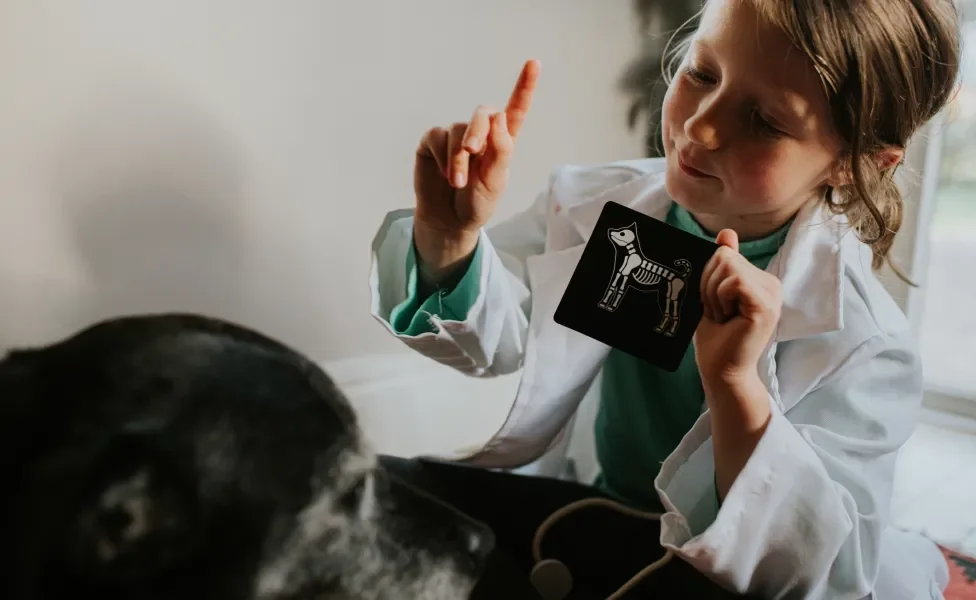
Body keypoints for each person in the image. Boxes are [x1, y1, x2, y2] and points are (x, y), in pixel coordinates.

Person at [369, 0, 962, 598]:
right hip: (601, 512)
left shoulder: (865, 341)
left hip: (721, 574)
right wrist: (450, 238)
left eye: (763, 120)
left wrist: (736, 386)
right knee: (372, 496)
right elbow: (499, 344)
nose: (701, 127)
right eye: (702, 73)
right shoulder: (607, 213)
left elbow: (811, 566)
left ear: (851, 164)